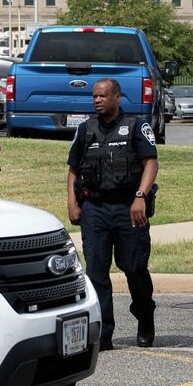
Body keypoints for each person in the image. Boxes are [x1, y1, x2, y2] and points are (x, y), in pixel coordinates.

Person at [66, 77, 159, 349]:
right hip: (95, 208)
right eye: (94, 96)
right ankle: (104, 332)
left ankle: (144, 314)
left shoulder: (135, 127)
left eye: (103, 96)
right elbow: (73, 170)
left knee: (134, 267)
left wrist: (140, 197)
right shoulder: (85, 130)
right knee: (96, 271)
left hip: (129, 207)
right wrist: (72, 202)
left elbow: (150, 164)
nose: (97, 100)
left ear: (117, 97)